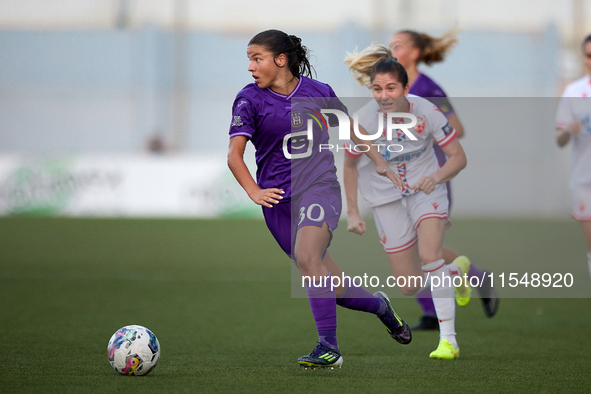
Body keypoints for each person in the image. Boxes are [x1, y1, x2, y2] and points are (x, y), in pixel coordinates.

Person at [227, 30, 411, 369]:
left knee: (308, 256)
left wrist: (381, 162)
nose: (251, 67)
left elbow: (351, 129)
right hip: (277, 203)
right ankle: (382, 308)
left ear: (280, 60)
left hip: (319, 188)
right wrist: (253, 191)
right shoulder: (248, 100)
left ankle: (329, 348)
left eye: (257, 59)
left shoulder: (318, 92)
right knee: (333, 286)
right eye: (249, 60)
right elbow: (234, 155)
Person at [343, 44, 468, 359]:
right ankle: (456, 271)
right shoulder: (363, 121)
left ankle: (448, 341)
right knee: (409, 285)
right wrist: (354, 212)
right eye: (377, 89)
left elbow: (458, 157)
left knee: (430, 257)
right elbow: (349, 165)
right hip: (386, 202)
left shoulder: (426, 111)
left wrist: (436, 177)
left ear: (406, 89)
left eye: (391, 88)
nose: (384, 95)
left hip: (426, 193)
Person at [389, 29, 498, 329]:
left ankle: (438, 308)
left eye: (397, 46)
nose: (391, 50)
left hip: (431, 178)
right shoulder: (391, 87)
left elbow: (457, 129)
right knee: (409, 249)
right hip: (401, 177)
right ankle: (472, 279)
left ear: (414, 53)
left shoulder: (428, 88)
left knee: (422, 250)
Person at [555, 34, 591, 280]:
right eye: (589, 55)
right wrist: (568, 129)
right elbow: (559, 140)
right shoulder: (574, 91)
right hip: (584, 181)